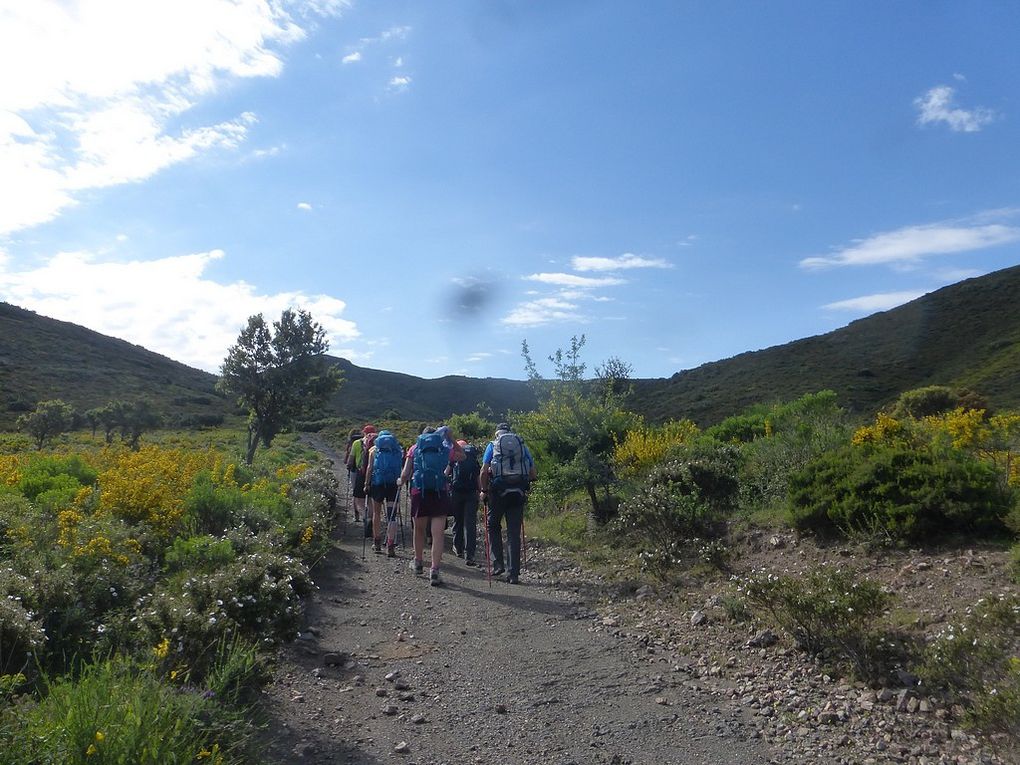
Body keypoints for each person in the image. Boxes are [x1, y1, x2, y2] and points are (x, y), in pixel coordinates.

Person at [479, 422, 536, 585]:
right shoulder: (522, 446)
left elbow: (484, 470)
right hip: (517, 493)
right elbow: (533, 472)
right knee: (513, 532)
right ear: (510, 432)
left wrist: (484, 490)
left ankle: (498, 565)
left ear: (497, 433)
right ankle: (513, 574)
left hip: (498, 493)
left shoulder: (492, 445)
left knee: (493, 525)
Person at [397, 426, 451, 586]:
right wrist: (451, 438)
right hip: (440, 492)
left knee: (419, 530)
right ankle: (434, 570)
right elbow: (461, 456)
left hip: (418, 492)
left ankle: (418, 562)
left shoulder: (415, 448)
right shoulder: (444, 448)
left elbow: (405, 473)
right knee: (438, 534)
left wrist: (401, 481)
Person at [363, 429, 404, 556]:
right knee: (392, 515)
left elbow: (370, 468)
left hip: (378, 484)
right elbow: (401, 468)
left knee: (376, 513)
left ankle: (377, 543)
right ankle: (390, 545)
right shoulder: (398, 450)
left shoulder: (374, 450)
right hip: (393, 485)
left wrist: (366, 484)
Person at [449, 438, 481, 565]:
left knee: (458, 520)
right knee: (470, 523)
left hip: (456, 492)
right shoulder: (473, 458)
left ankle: (458, 548)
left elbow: (446, 473)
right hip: (472, 493)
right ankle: (470, 554)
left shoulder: (454, 457)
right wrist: (481, 491)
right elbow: (478, 477)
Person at [349, 425, 377, 532]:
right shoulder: (378, 444)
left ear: (364, 433)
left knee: (358, 498)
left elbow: (351, 460)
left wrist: (349, 466)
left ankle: (363, 516)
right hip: (375, 475)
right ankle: (371, 518)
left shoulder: (356, 443)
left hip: (360, 473)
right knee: (370, 499)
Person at [342, 428, 362, 520]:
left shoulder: (351, 443)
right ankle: (369, 514)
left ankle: (356, 515)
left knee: (355, 492)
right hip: (365, 471)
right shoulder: (366, 441)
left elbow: (346, 460)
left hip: (354, 470)